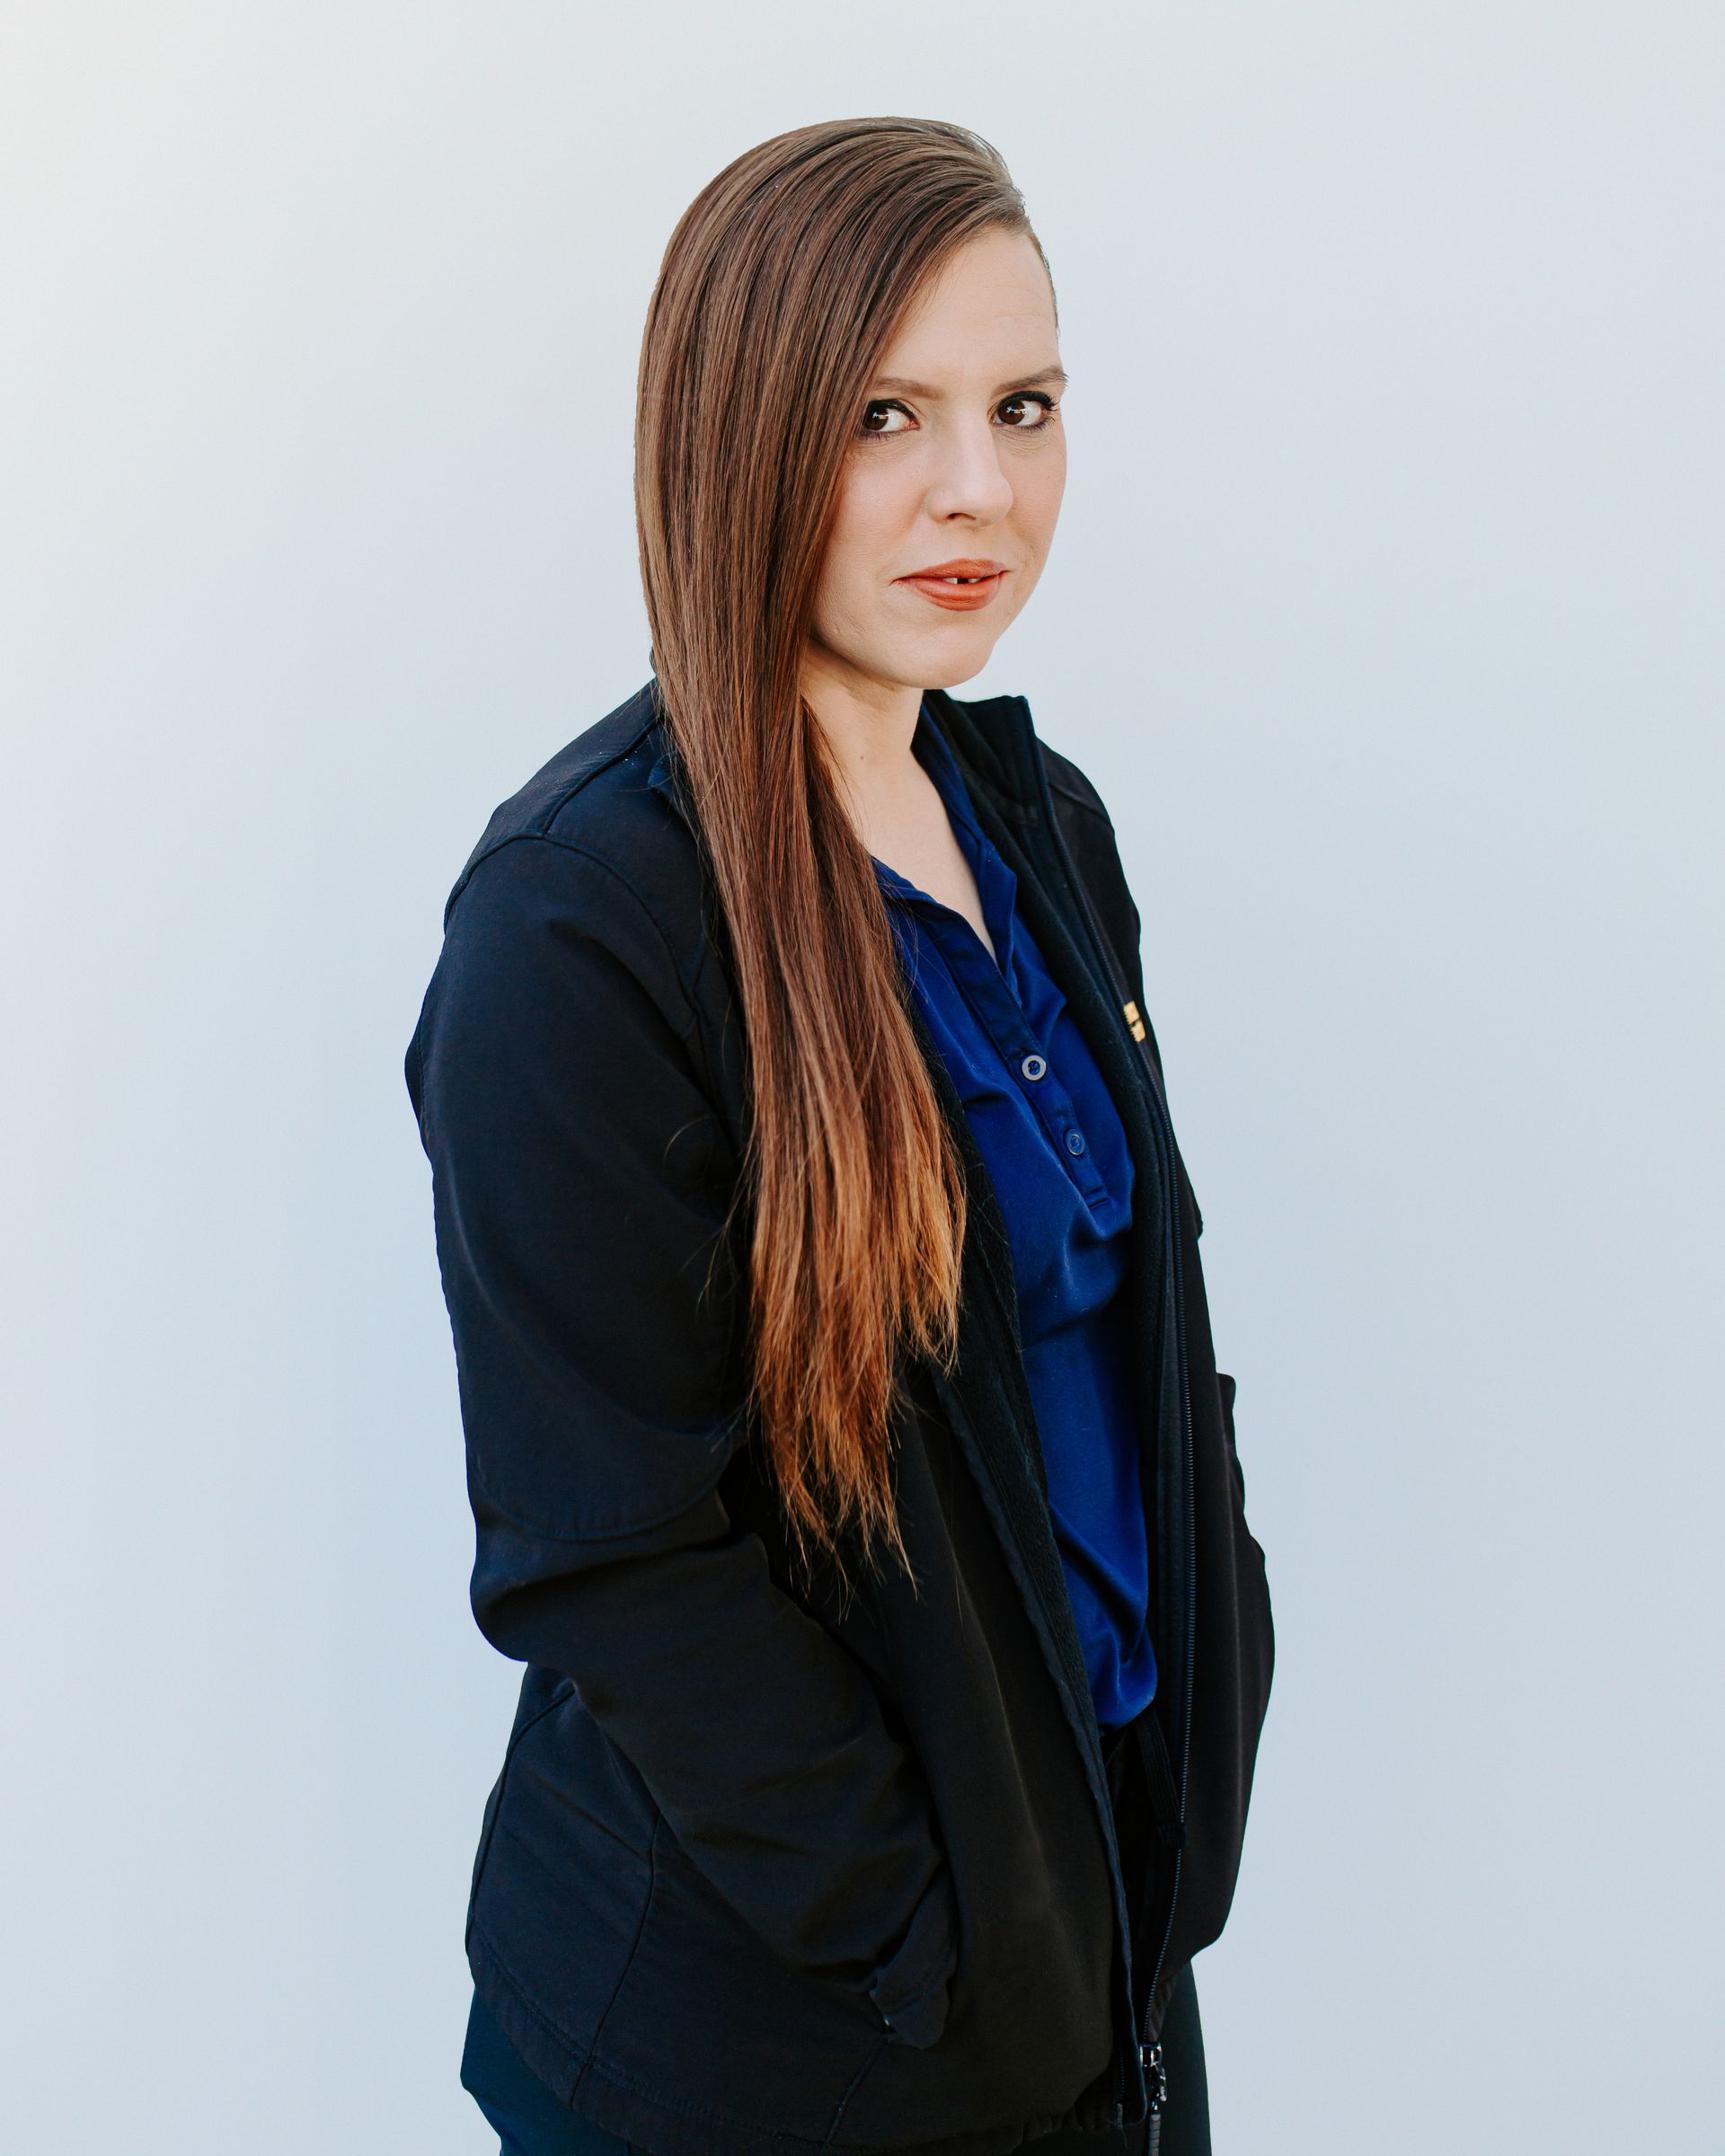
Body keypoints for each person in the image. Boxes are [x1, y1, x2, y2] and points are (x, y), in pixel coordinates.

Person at [405, 116, 1274, 2156]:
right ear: (744, 429)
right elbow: (615, 1559)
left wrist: (1183, 1779)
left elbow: (1145, 1334)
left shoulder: (1037, 822)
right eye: (888, 414)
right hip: (780, 2043)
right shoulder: (581, 927)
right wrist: (927, 1936)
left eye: (1023, 406)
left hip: (1101, 1944)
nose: (980, 487)